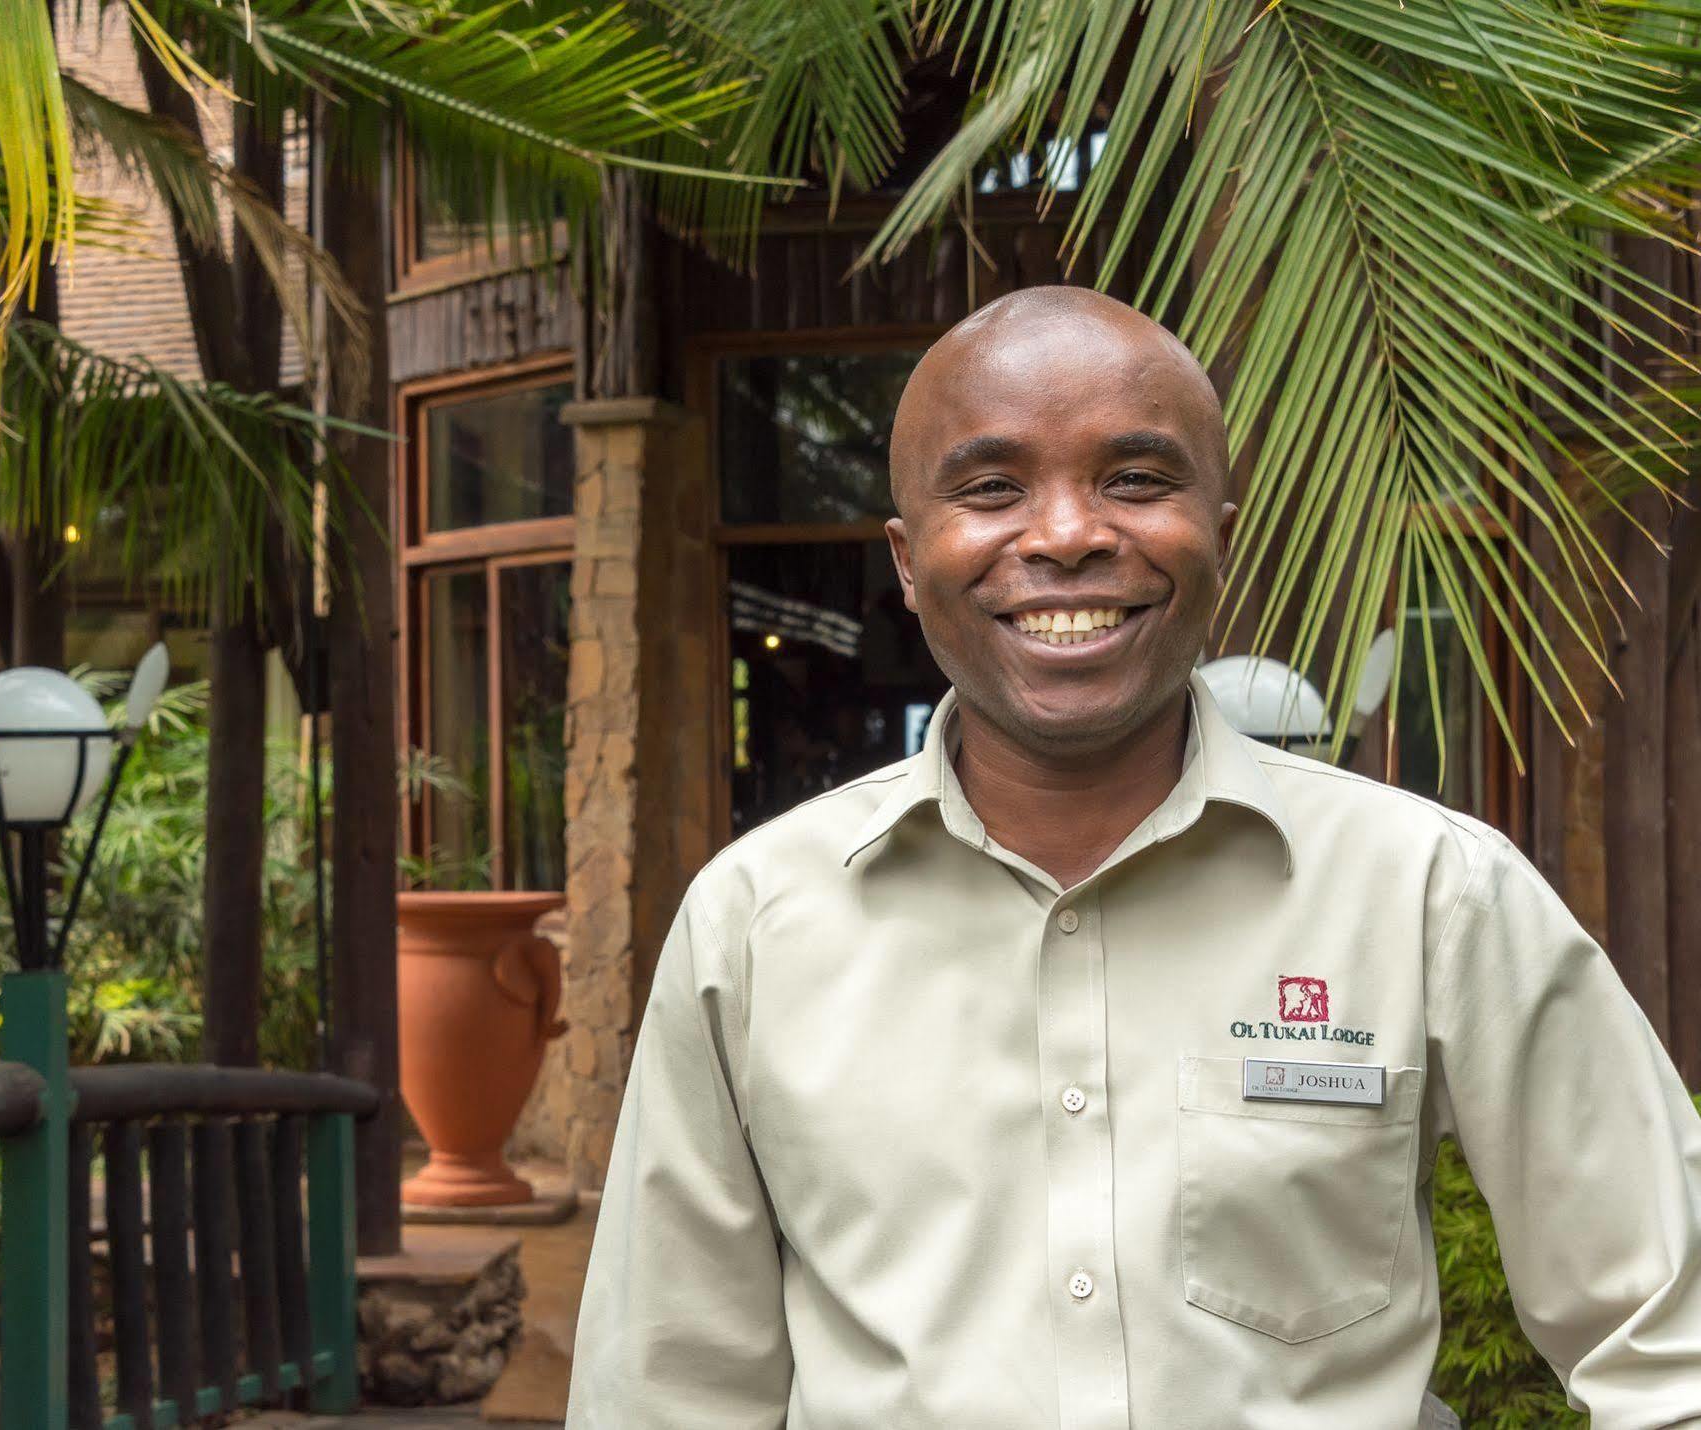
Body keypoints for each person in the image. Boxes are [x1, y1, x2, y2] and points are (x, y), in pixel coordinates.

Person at [563, 287, 1701, 1426]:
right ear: (908, 564)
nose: (1065, 534)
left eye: (1136, 480)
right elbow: (667, 1390)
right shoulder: (755, 924)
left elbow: (1672, 1335)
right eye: (991, 487)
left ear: (1221, 536)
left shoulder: (1432, 892)